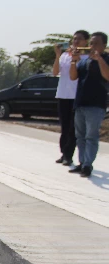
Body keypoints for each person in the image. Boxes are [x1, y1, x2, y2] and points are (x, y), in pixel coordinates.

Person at [69, 32, 109, 178]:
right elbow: (73, 76)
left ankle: (88, 165)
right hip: (80, 103)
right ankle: (82, 162)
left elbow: (107, 76)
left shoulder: (106, 59)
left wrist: (99, 59)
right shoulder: (85, 61)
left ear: (104, 45)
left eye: (96, 43)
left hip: (96, 104)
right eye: (91, 43)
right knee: (80, 136)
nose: (92, 46)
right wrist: (74, 61)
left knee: (91, 136)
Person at [53, 30, 90, 166]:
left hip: (76, 96)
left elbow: (81, 72)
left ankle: (69, 155)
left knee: (73, 128)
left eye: (79, 39)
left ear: (85, 41)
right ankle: (63, 153)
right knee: (64, 126)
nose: (75, 42)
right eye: (74, 39)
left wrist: (77, 57)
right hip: (63, 95)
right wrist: (58, 55)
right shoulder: (64, 55)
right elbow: (55, 72)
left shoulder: (87, 57)